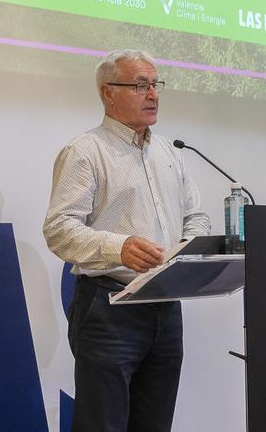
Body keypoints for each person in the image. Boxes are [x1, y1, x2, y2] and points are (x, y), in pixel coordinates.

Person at [44, 49, 211, 432]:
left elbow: (195, 215)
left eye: (155, 84)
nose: (152, 94)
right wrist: (117, 247)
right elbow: (59, 228)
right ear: (108, 93)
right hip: (109, 309)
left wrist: (186, 249)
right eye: (139, 85)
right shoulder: (86, 152)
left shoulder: (170, 152)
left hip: (165, 308)